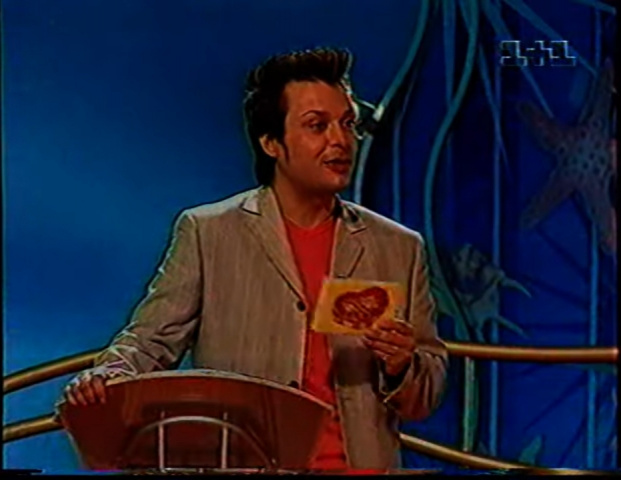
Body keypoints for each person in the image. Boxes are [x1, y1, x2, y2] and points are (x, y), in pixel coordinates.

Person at [62, 47, 448, 471]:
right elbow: (151, 341)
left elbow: (426, 393)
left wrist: (401, 366)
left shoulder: (398, 247)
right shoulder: (208, 233)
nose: (340, 141)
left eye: (348, 124)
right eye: (317, 125)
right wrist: (107, 375)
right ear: (271, 143)